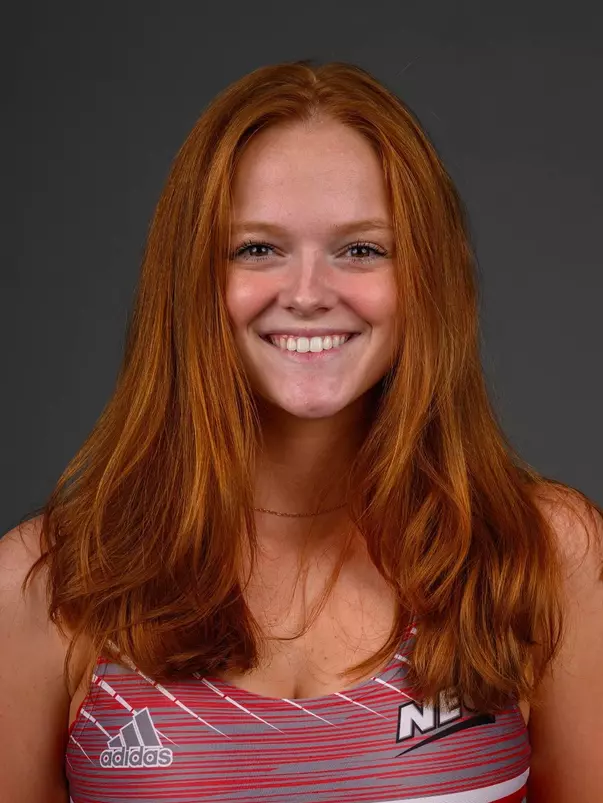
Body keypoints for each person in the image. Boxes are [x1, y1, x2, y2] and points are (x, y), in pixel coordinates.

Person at [1, 59, 602, 803]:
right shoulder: (46, 584)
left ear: (425, 278)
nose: (310, 293)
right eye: (258, 248)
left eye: (361, 249)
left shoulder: (541, 553)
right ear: (192, 279)